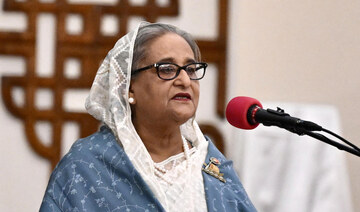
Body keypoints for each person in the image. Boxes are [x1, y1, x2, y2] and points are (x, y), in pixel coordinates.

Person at [40, 22, 256, 212]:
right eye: (167, 68)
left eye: (191, 69)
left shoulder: (212, 166)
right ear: (129, 88)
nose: (184, 80)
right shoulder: (86, 166)